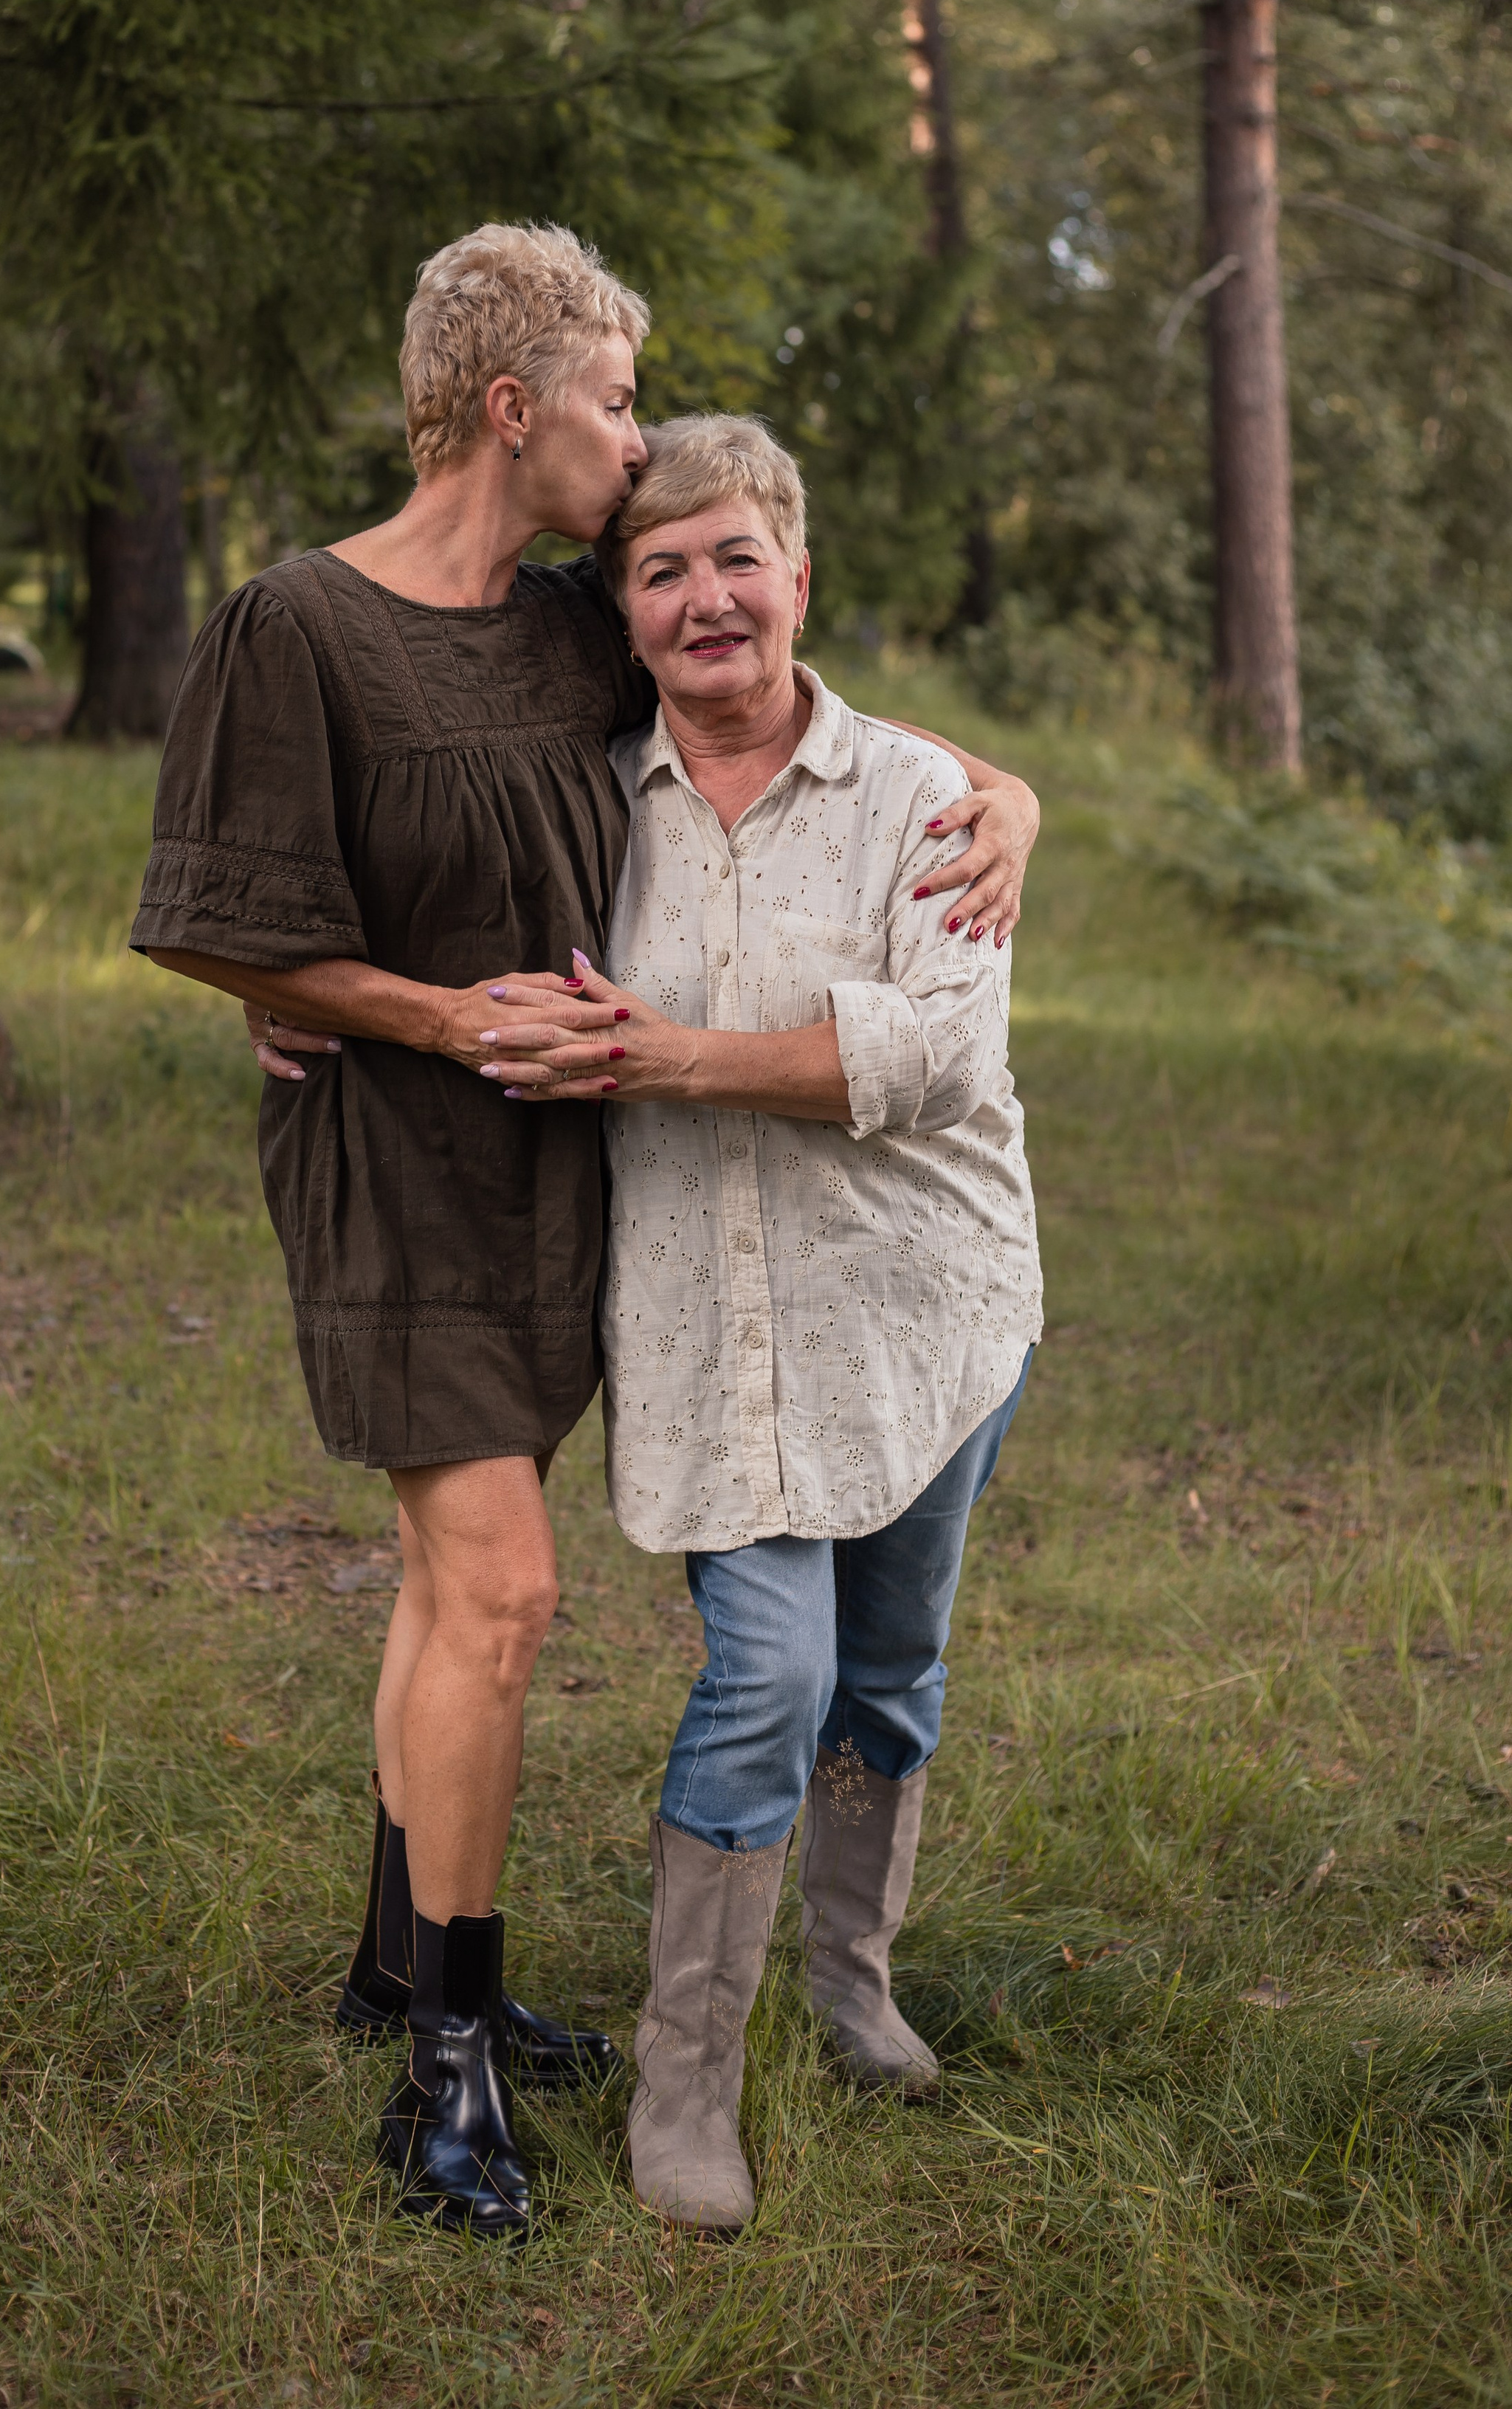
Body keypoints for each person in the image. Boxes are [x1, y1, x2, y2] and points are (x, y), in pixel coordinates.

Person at [136, 225, 1038, 2238]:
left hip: (569, 1175)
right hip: (402, 1168)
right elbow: (213, 915)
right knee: (507, 1596)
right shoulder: (294, 622)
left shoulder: (566, 628)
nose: (641, 450)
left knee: (450, 1599)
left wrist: (1013, 794)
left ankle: (397, 1962)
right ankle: (449, 2063)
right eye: (620, 399)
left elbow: (779, 685)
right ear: (513, 403)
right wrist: (415, 1009)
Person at [477, 414, 1043, 2238]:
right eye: (661, 569)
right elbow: (404, 884)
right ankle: (683, 2086)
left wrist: (664, 1059)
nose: (706, 596)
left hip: (924, 1312)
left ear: (799, 576)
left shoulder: (925, 798)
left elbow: (933, 1053)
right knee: (767, 1678)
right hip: (706, 1316)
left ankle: (850, 1980)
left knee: (886, 1669)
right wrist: (286, 989)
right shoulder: (579, 796)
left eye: (736, 557)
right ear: (623, 615)